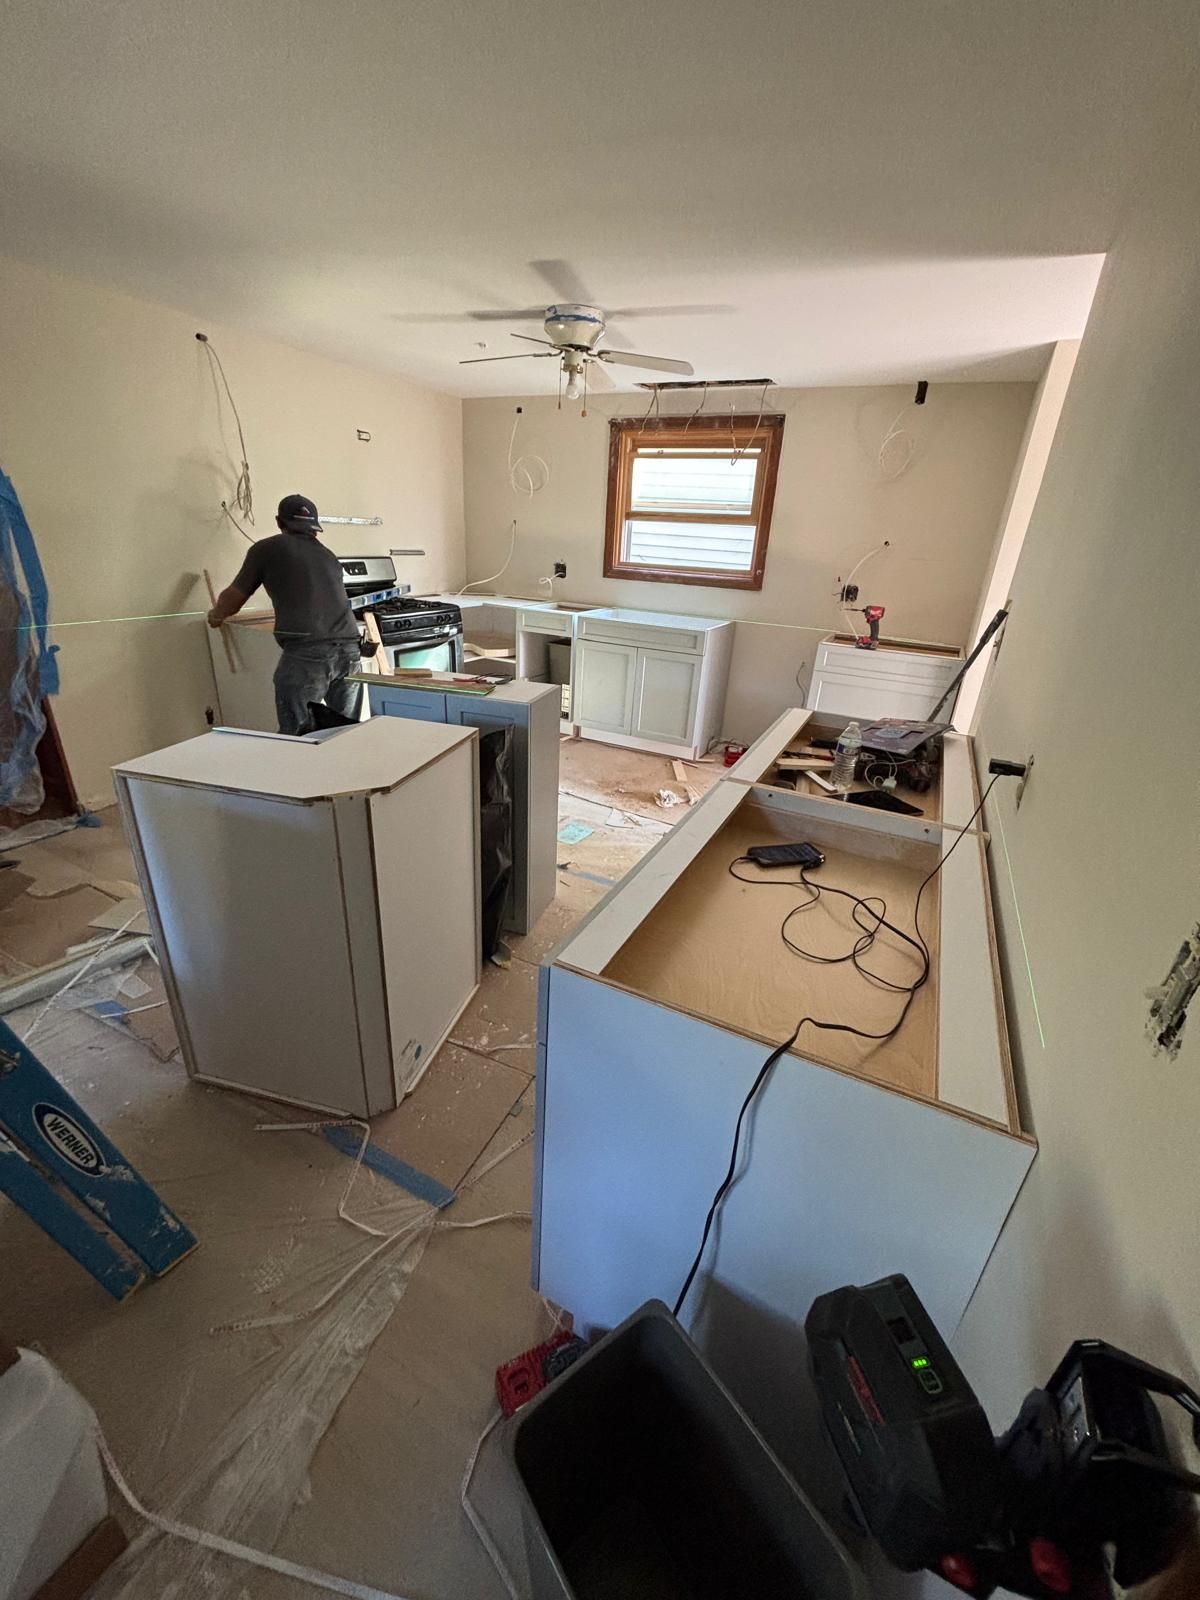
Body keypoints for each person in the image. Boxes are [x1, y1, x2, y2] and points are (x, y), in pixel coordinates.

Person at [208, 494, 363, 734]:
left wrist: (216, 615)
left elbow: (234, 598)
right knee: (345, 732)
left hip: (308, 654)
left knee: (297, 736)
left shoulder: (266, 549)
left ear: (280, 522)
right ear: (315, 527)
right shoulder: (329, 556)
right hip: (350, 652)